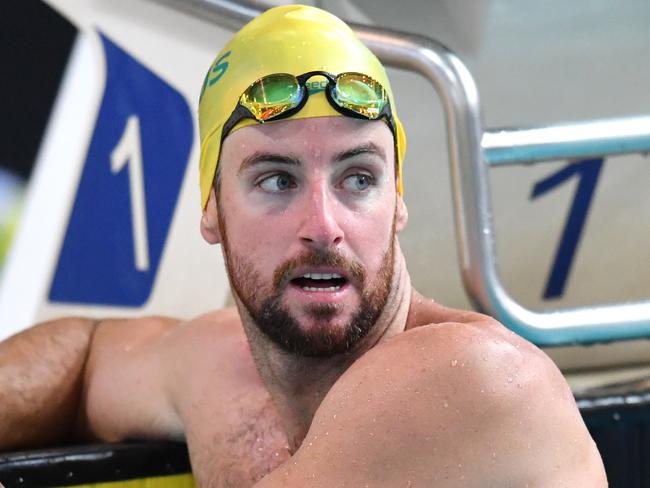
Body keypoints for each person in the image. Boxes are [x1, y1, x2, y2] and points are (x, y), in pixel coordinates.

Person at [0, 5, 606, 487]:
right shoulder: (215, 364)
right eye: (277, 180)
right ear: (211, 207)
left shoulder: (475, 382)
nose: (323, 224)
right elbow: (83, 361)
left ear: (397, 201)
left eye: (358, 179)